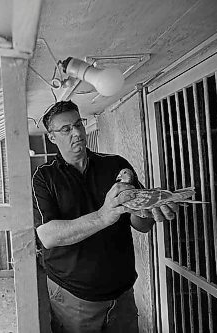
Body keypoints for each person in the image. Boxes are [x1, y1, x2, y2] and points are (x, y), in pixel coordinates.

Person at [32, 100, 177, 333]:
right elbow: (48, 236)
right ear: (51, 137)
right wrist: (103, 216)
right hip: (73, 296)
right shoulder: (43, 177)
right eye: (66, 129)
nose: (77, 133)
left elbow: (141, 225)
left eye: (79, 124)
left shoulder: (116, 165)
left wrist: (149, 210)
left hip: (122, 293)